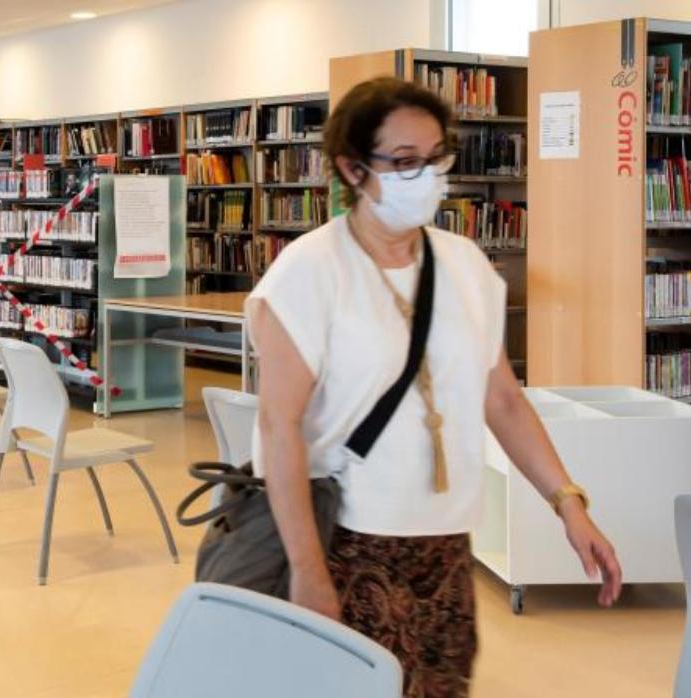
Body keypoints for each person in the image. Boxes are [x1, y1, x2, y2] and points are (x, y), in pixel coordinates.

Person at [246, 77, 622, 696]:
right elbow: (277, 426)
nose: (425, 176)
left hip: (446, 546)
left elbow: (501, 398)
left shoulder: (465, 265)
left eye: (435, 158)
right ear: (353, 167)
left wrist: (568, 503)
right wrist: (309, 574)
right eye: (404, 162)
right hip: (348, 540)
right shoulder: (310, 272)